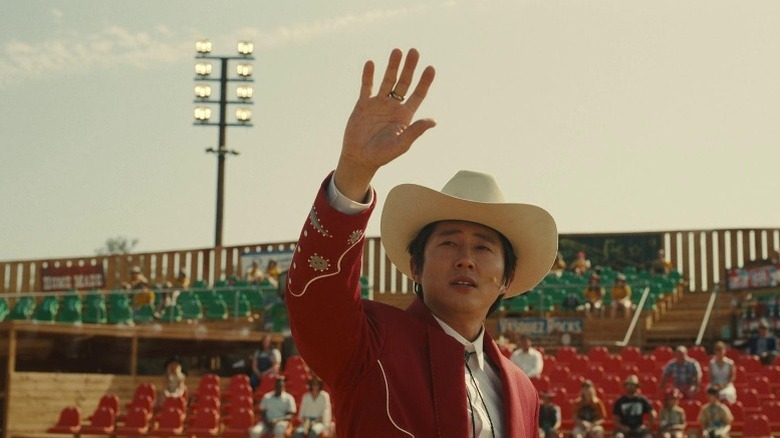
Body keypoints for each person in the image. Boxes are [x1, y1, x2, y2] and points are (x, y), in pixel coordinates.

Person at [285, 48, 557, 436]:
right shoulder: (368, 343)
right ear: (416, 265)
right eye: (448, 243)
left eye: (483, 247)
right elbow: (316, 298)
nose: (466, 259)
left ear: (507, 278)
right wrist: (355, 170)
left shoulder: (522, 389)